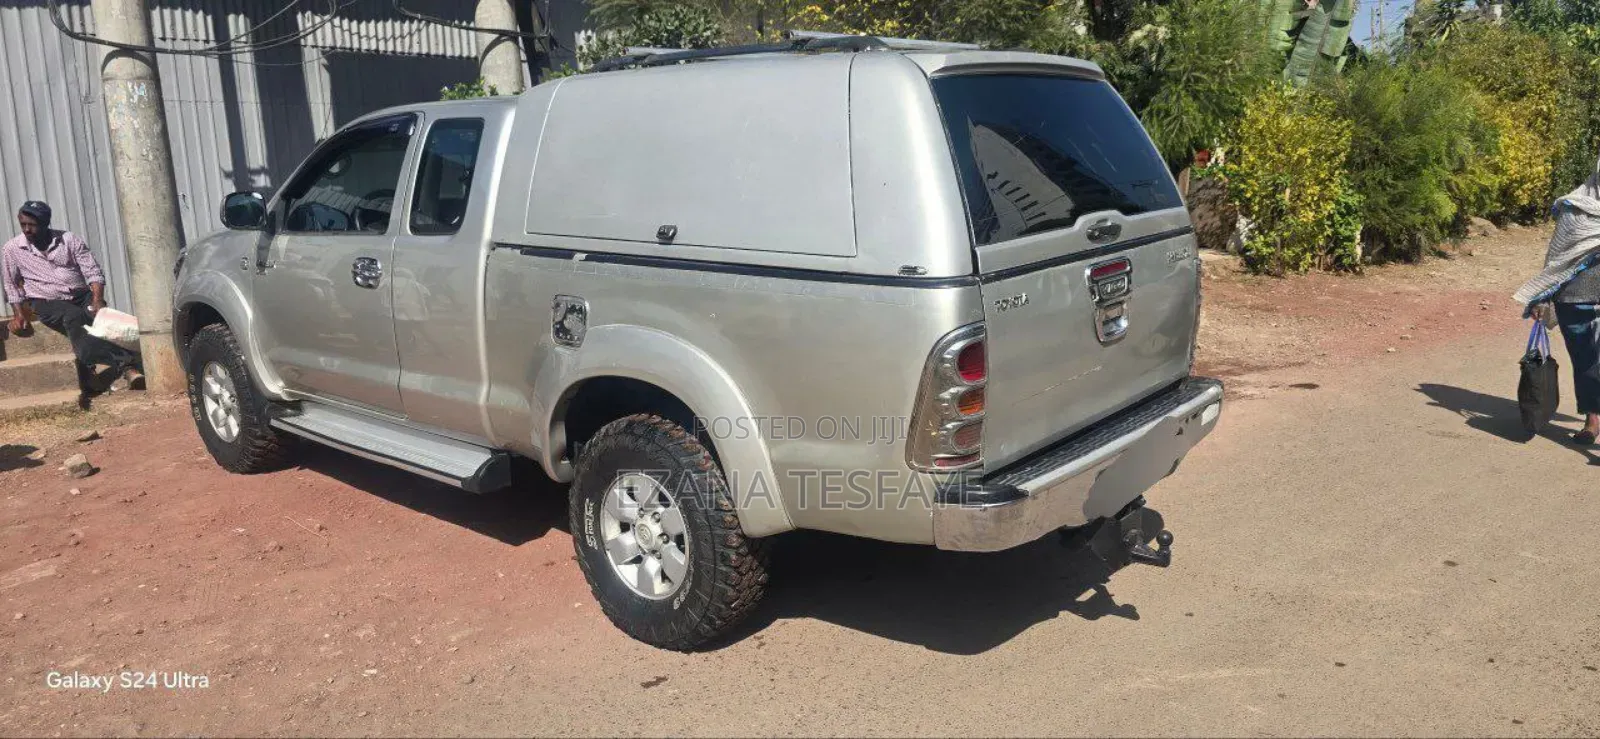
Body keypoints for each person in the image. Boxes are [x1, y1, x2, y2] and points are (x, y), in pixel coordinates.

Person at [2, 200, 143, 407]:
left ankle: (92, 372)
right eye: (23, 224)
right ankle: (128, 366)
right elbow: (11, 283)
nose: (26, 230)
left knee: (98, 319)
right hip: (45, 300)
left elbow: (92, 271)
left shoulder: (68, 240)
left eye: (32, 225)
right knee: (74, 317)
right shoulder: (12, 249)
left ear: (45, 223)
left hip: (80, 295)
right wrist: (18, 314)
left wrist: (97, 300)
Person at [1516, 153, 1600, 444]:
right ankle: (1593, 418)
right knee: (1586, 361)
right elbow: (1557, 258)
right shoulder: (1575, 207)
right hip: (1576, 298)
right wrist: (1543, 299)